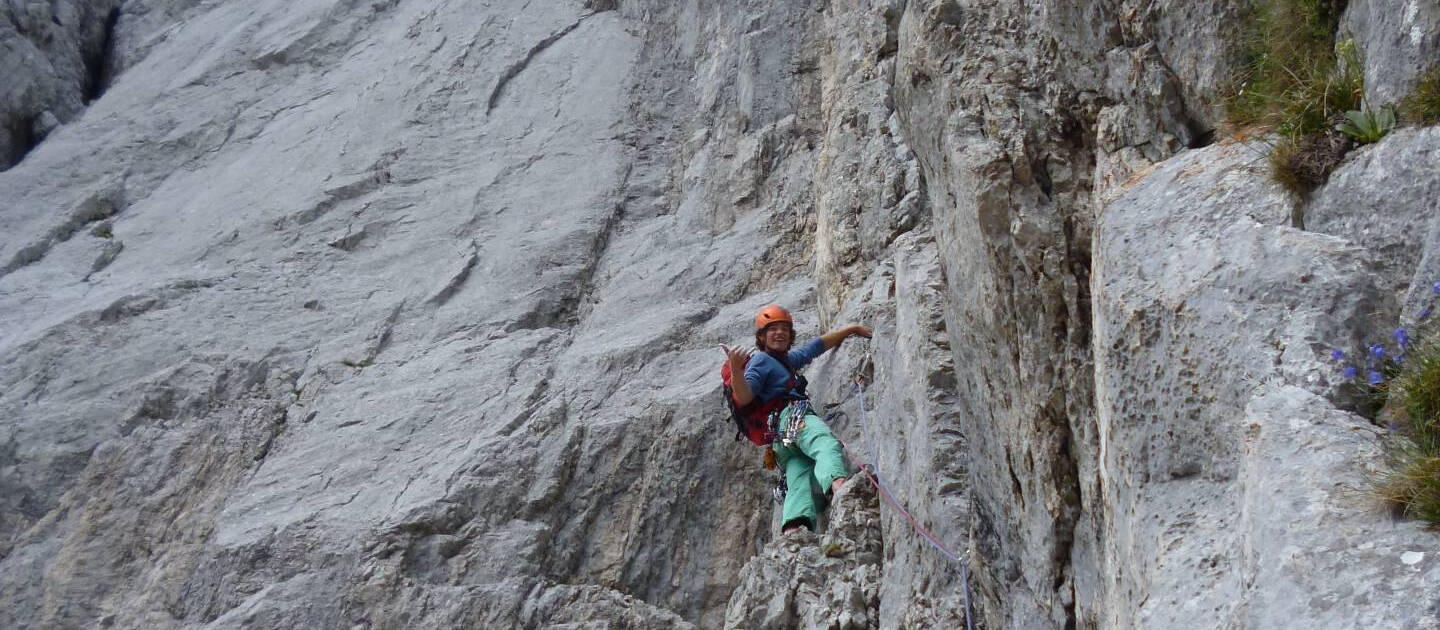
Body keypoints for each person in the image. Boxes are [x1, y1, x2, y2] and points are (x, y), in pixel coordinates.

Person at [721, 304, 871, 533]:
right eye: (773, 329)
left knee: (798, 475)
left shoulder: (786, 361)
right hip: (792, 416)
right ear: (761, 336)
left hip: (780, 439)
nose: (779, 333)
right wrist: (736, 370)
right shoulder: (762, 360)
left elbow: (816, 347)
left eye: (784, 329)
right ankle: (841, 488)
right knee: (823, 441)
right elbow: (744, 396)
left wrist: (850, 329)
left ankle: (793, 532)